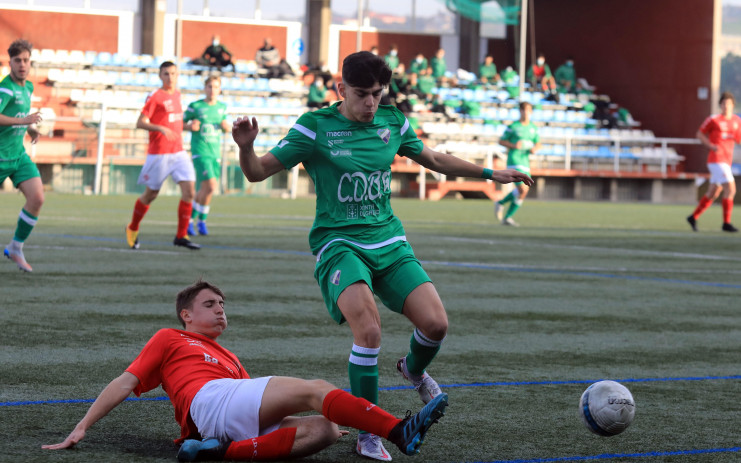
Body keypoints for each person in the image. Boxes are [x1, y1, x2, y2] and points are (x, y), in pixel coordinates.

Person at [231, 51, 532, 461]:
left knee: (436, 325)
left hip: (388, 241)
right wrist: (247, 149)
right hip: (339, 243)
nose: (371, 103)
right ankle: (368, 432)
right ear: (341, 90)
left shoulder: (393, 121)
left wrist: (490, 173)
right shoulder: (315, 126)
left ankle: (412, 369)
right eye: (362, 94)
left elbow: (434, 159)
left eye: (377, 94)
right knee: (368, 332)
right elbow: (257, 171)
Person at [41, 280, 449, 461]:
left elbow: (252, 410)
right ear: (186, 314)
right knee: (316, 389)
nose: (220, 310)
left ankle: (218, 452)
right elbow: (125, 381)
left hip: (221, 417)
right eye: (210, 304)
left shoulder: (231, 357)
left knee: (323, 427)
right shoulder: (170, 338)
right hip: (209, 402)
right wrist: (82, 426)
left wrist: (330, 419)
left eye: (222, 304)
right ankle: (397, 430)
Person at [125, 61, 200, 250]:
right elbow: (140, 122)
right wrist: (159, 128)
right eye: (166, 74)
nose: (170, 77)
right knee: (151, 194)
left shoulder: (177, 94)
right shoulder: (155, 96)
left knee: (190, 191)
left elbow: (175, 123)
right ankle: (132, 227)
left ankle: (181, 236)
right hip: (159, 154)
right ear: (160, 76)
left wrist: (189, 127)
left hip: (179, 151)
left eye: (173, 73)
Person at [0, 40, 43, 272]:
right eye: (17, 60)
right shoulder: (5, 88)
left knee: (37, 198)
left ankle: (16, 247)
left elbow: (19, 113)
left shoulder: (28, 87)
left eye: (26, 60)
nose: (22, 64)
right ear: (10, 63)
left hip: (18, 157)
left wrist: (29, 128)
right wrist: (23, 121)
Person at [687, 91, 741, 233]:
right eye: (723, 104)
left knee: (713, 192)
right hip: (716, 160)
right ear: (720, 105)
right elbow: (699, 134)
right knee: (731, 189)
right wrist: (710, 145)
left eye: (728, 104)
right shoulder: (714, 119)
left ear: (732, 105)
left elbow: (739, 139)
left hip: (726, 161)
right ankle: (726, 223)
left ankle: (693, 216)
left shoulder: (736, 121)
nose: (726, 106)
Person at [184, 75, 230, 237]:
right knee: (210, 185)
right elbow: (180, 123)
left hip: (214, 153)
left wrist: (226, 127)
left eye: (216, 87)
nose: (212, 90)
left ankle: (200, 221)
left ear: (220, 89)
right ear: (205, 88)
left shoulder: (222, 108)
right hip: (200, 152)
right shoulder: (195, 106)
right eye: (210, 86)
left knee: (208, 189)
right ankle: (191, 220)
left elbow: (225, 126)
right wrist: (189, 126)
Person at [494, 101, 540, 227]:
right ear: (520, 111)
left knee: (524, 191)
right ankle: (503, 208)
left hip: (525, 161)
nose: (526, 112)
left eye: (529, 110)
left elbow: (538, 142)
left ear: (531, 112)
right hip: (514, 160)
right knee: (522, 189)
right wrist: (514, 145)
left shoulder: (533, 128)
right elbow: (501, 141)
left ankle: (504, 210)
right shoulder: (514, 126)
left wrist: (535, 148)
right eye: (524, 109)